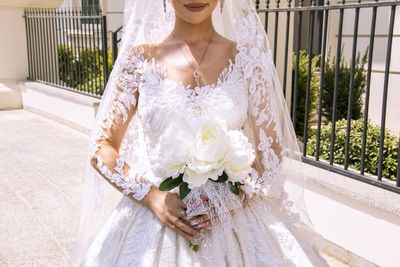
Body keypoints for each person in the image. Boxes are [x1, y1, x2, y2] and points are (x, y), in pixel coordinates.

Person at [71, 0, 330, 266]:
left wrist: (235, 194)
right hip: (158, 213)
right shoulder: (139, 61)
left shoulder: (247, 60)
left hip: (236, 216)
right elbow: (103, 147)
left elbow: (270, 149)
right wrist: (151, 197)